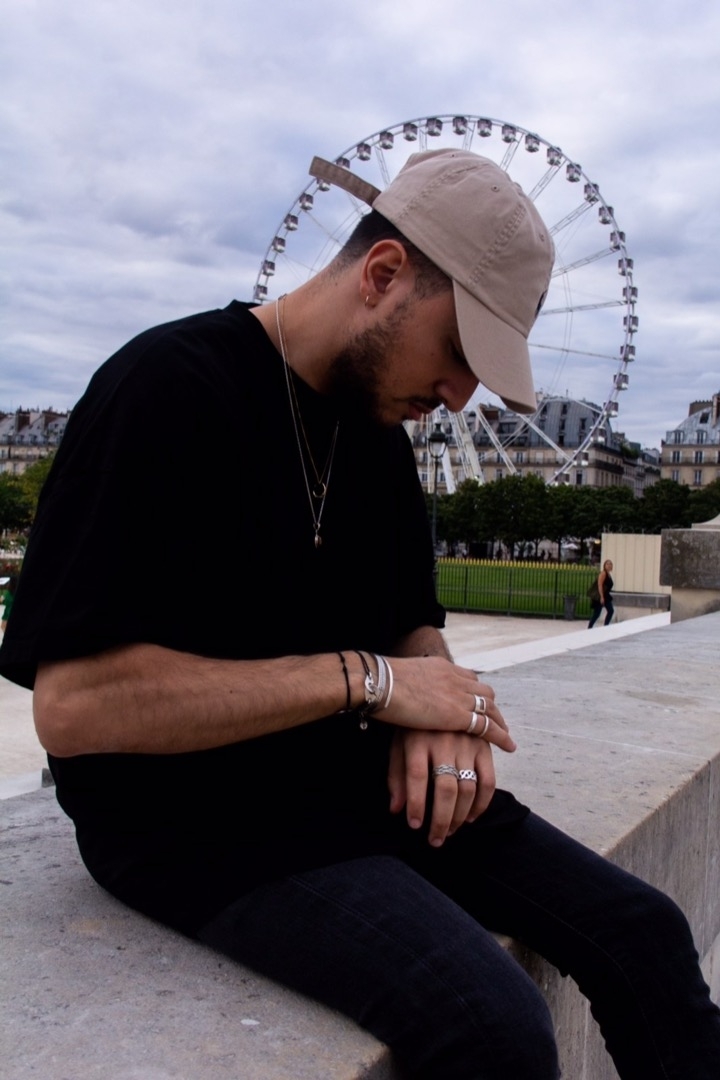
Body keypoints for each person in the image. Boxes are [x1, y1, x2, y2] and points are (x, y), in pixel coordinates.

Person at [1, 149, 719, 1079]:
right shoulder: (164, 389)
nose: (460, 396)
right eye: (459, 352)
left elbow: (412, 625)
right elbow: (75, 710)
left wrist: (446, 715)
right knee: (488, 1024)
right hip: (191, 818)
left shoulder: (375, 430)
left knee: (645, 932)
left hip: (350, 778)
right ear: (382, 274)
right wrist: (372, 683)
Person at [588, 558, 615, 628]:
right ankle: (589, 627)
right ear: (604, 566)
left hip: (606, 595)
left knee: (610, 610)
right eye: (607, 564)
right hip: (600, 596)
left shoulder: (608, 575)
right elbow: (599, 585)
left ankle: (606, 626)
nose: (609, 565)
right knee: (597, 613)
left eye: (610, 564)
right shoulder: (603, 573)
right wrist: (601, 597)